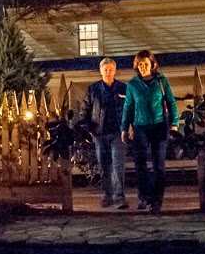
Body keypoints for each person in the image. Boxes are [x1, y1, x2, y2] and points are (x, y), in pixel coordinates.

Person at [120, 50, 179, 215]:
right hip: (140, 127)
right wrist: (124, 128)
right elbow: (128, 107)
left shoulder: (161, 81)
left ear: (152, 64)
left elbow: (171, 102)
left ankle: (156, 200)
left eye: (145, 64)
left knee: (158, 165)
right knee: (140, 164)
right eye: (140, 64)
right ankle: (143, 197)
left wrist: (174, 124)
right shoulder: (133, 84)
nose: (143, 67)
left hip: (159, 127)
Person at [75, 58, 129, 209]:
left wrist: (129, 126)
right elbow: (85, 111)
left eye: (111, 69)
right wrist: (88, 129)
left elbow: (130, 109)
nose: (108, 72)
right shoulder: (93, 89)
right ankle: (107, 195)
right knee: (104, 165)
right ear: (100, 71)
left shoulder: (123, 88)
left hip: (118, 132)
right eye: (105, 69)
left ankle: (119, 197)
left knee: (118, 165)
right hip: (99, 133)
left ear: (115, 70)